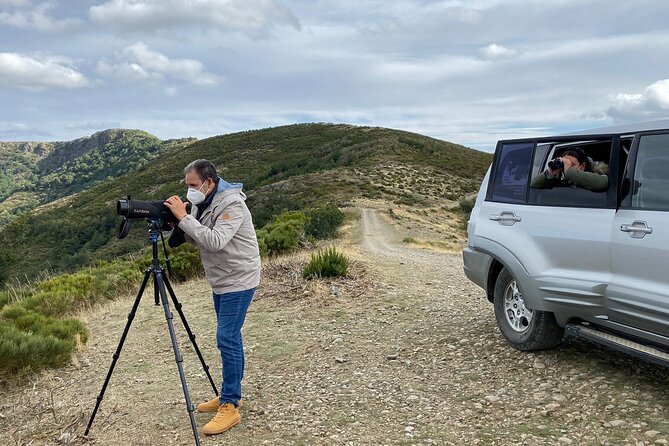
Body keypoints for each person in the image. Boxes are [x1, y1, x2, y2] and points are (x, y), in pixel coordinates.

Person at [164, 159, 261, 436]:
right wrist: (181, 222)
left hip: (239, 278)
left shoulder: (232, 204)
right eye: (187, 186)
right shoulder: (202, 202)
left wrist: (185, 218)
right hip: (221, 279)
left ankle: (230, 405)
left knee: (226, 337)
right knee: (232, 336)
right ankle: (232, 393)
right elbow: (200, 238)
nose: (189, 191)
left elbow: (216, 240)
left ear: (209, 182)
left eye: (193, 185)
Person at [530, 147, 608, 192]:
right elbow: (534, 186)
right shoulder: (558, 177)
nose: (566, 166)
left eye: (572, 164)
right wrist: (550, 173)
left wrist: (569, 172)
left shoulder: (593, 176)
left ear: (582, 166)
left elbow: (602, 183)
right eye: (565, 163)